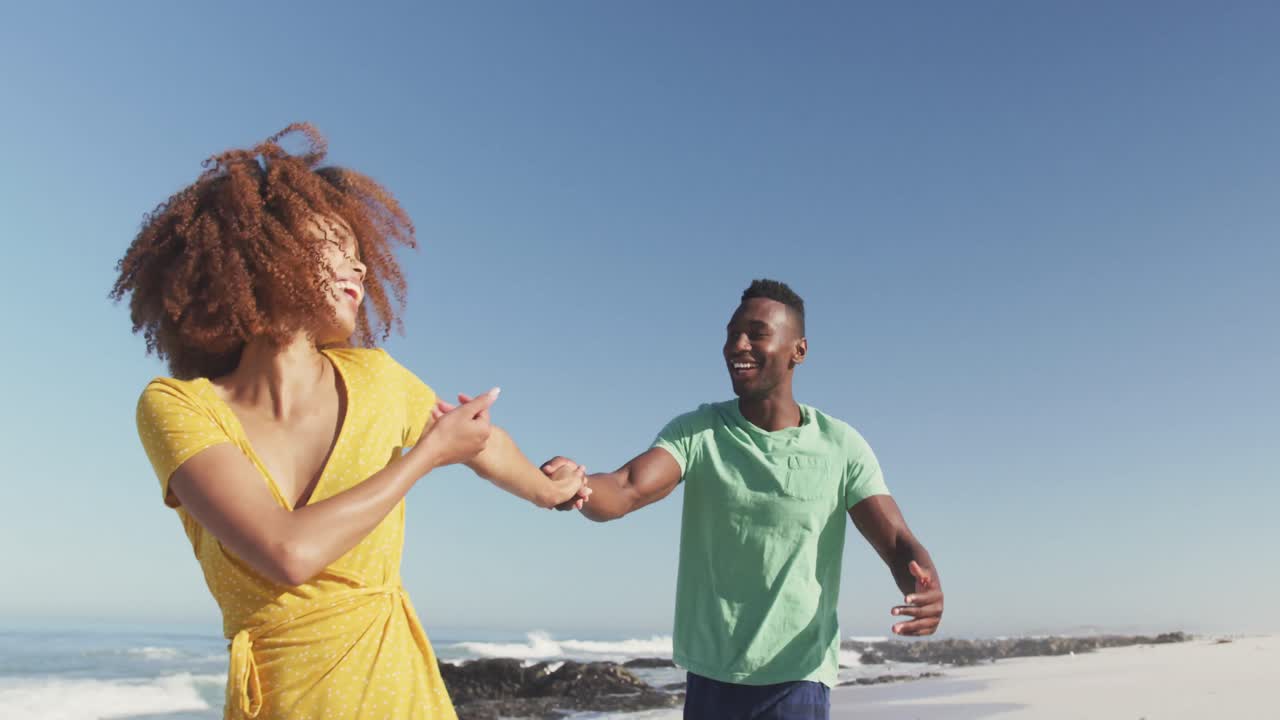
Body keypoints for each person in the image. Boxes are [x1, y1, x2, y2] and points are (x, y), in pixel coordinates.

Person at [111, 123, 589, 719]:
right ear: (264, 254)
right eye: (335, 247)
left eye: (359, 254)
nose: (359, 267)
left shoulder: (377, 379)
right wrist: (426, 457)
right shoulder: (178, 406)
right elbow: (287, 553)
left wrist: (550, 490)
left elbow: (479, 440)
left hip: (400, 697)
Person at [541, 279, 943, 720]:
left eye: (756, 333)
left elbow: (896, 541)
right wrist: (578, 485)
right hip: (710, 679)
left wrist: (923, 586)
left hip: (797, 678)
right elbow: (626, 488)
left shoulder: (841, 445)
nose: (738, 345)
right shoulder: (698, 431)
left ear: (799, 351)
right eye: (732, 334)